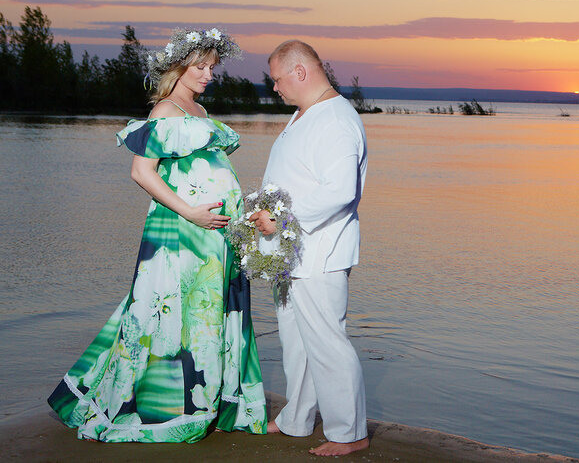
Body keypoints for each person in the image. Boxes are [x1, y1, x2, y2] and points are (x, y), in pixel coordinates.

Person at [47, 28, 268, 442]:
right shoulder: (165, 111)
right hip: (181, 232)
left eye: (211, 68)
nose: (208, 75)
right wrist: (191, 212)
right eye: (200, 67)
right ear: (178, 68)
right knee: (164, 316)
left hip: (214, 238)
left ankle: (208, 401)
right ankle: (160, 407)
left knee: (204, 317)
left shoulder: (200, 112)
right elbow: (141, 172)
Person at [249, 40, 369, 456]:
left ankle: (349, 433)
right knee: (295, 341)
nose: (275, 89)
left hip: (320, 251)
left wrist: (279, 217)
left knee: (327, 342)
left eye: (278, 80)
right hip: (289, 254)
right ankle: (297, 418)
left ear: (300, 73)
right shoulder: (304, 115)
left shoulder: (335, 120)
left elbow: (340, 190)